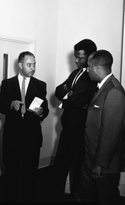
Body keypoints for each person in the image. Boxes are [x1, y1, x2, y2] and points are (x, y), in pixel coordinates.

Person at [76, 50, 125, 205]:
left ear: (98, 68)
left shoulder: (113, 91)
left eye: (89, 67)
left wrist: (99, 164)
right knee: (84, 195)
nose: (87, 70)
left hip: (102, 164)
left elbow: (110, 132)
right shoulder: (102, 87)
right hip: (90, 156)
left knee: (105, 197)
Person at [0, 51, 49, 202]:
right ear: (20, 65)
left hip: (32, 135)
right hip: (12, 135)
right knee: (11, 171)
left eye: (34, 64)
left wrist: (41, 112)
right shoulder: (7, 84)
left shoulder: (40, 85)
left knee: (30, 172)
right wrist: (10, 104)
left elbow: (45, 109)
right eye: (29, 64)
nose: (32, 68)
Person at [51, 39, 97, 200]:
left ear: (91, 57)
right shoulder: (75, 73)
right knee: (59, 167)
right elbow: (58, 90)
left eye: (80, 57)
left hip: (80, 131)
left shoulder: (92, 77)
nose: (76, 60)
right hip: (67, 128)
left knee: (78, 170)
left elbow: (77, 100)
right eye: (75, 57)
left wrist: (70, 94)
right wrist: (68, 94)